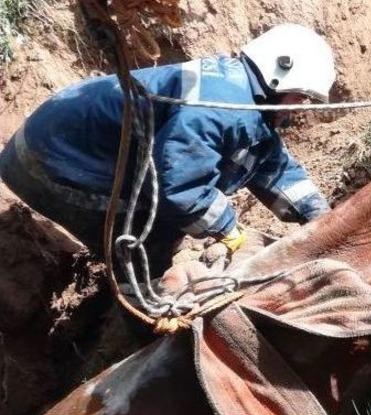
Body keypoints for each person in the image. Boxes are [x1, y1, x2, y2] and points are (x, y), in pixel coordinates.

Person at [0, 23, 334, 273]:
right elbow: (179, 187)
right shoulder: (222, 107)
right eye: (301, 95)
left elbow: (266, 162)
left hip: (57, 144)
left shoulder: (241, 96)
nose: (301, 106)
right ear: (278, 74)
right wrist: (231, 232)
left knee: (162, 220)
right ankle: (141, 321)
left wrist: (321, 218)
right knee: (148, 238)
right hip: (49, 160)